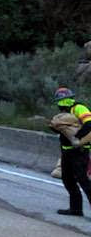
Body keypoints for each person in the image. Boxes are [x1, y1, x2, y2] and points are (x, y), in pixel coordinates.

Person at [51, 87, 91, 216]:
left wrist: (78, 137)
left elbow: (89, 123)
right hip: (67, 151)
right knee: (67, 179)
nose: (61, 104)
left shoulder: (79, 108)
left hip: (80, 151)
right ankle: (76, 209)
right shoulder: (64, 112)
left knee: (83, 180)